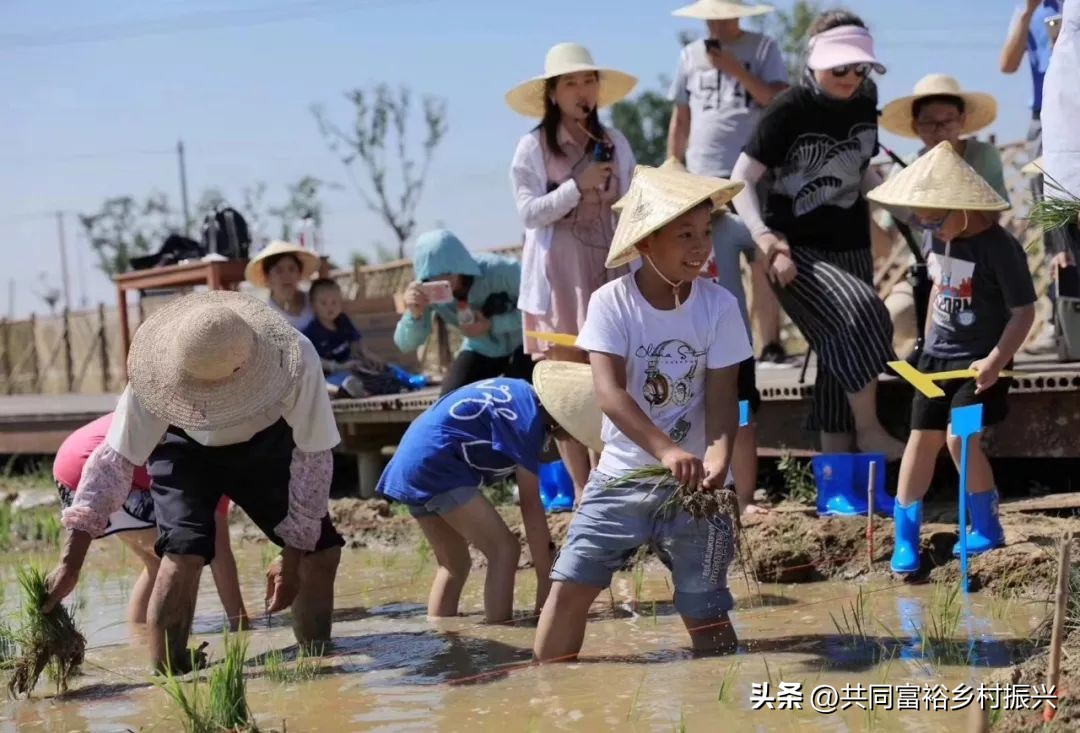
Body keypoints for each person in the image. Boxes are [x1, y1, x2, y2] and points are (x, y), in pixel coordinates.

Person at [43, 291, 344, 673]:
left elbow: (313, 456)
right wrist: (71, 563)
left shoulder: (295, 357)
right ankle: (170, 678)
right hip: (184, 446)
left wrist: (293, 550)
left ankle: (318, 661)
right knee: (181, 554)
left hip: (268, 441)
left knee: (320, 551)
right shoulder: (155, 374)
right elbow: (113, 463)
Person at [534, 164, 751, 662]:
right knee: (570, 586)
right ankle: (546, 694)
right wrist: (667, 449)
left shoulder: (718, 306)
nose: (700, 246)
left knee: (705, 605)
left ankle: (716, 696)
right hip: (623, 475)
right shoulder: (611, 303)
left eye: (705, 232)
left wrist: (718, 458)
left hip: (697, 484)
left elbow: (722, 396)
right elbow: (610, 394)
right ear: (646, 244)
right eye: (684, 236)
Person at [730, 10, 905, 459]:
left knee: (836, 354)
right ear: (815, 61)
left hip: (852, 245)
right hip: (793, 252)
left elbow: (859, 171)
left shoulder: (867, 98)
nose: (850, 77)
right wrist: (765, 238)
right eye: (839, 67)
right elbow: (740, 179)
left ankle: (836, 475)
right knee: (866, 311)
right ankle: (869, 431)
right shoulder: (788, 109)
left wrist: (902, 207)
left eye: (859, 66)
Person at [868, 143, 1036, 573]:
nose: (931, 228)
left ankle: (985, 525)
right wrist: (923, 343)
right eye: (925, 220)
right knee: (919, 441)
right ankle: (905, 537)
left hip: (979, 366)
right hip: (936, 362)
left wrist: (997, 360)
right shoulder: (935, 236)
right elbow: (937, 294)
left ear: (962, 207)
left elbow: (1023, 312)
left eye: (937, 219)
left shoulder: (1000, 248)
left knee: (959, 438)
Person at [508, 42, 637, 499]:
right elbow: (528, 213)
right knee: (566, 383)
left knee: (609, 374)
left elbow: (634, 204)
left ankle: (608, 481)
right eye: (571, 83)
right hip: (559, 272)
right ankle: (583, 489)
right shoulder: (533, 147)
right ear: (553, 93)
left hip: (608, 266)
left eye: (588, 81)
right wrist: (574, 187)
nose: (583, 90)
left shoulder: (615, 142)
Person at [375, 375, 580, 622]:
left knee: (454, 565)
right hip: (437, 464)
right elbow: (531, 506)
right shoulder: (528, 422)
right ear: (563, 416)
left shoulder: (522, 395)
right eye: (577, 432)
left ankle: (443, 642)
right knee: (504, 550)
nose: (575, 440)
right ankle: (501, 636)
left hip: (410, 461)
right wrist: (545, 581)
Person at [668, 0, 790, 365]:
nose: (716, 24)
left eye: (723, 15)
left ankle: (770, 343)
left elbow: (775, 99)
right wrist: (673, 163)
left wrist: (734, 69)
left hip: (752, 169)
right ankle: (726, 346)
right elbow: (681, 116)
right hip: (702, 172)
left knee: (760, 255)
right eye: (711, 16)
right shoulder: (689, 55)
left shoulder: (764, 47)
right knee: (710, 259)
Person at [52, 413, 250, 630]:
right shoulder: (213, 453)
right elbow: (220, 551)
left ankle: (140, 637)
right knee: (185, 557)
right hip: (100, 469)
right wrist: (240, 624)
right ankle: (173, 645)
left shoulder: (179, 409)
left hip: (68, 462)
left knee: (157, 565)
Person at [396, 229, 531, 394]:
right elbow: (405, 344)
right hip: (481, 348)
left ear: (460, 264)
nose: (441, 281)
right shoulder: (425, 292)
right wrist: (414, 315)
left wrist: (492, 325)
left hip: (526, 344)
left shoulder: (500, 271)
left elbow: (540, 310)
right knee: (449, 402)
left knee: (519, 396)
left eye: (447, 273)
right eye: (432, 277)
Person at [880, 74, 1009, 227]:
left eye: (948, 121)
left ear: (962, 120)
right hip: (925, 251)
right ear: (915, 126)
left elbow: (993, 216)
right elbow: (888, 233)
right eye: (929, 122)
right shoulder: (903, 170)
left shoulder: (984, 156)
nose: (940, 131)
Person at [999, 0, 1062, 185]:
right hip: (1043, 113)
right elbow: (1007, 65)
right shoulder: (1025, 10)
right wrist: (1028, 12)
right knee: (1043, 191)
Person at [303, 278, 393, 398]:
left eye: (334, 302)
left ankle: (405, 381)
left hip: (352, 366)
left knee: (382, 368)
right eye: (323, 303)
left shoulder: (343, 321)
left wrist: (367, 354)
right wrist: (338, 366)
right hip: (329, 373)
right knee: (331, 384)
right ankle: (346, 391)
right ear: (313, 305)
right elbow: (313, 359)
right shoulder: (311, 332)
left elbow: (356, 340)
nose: (330, 307)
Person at [245, 240, 322, 330]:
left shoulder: (316, 301)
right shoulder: (263, 316)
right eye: (279, 270)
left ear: (299, 274)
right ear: (267, 277)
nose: (286, 276)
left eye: (291, 269)